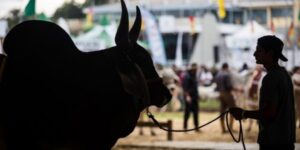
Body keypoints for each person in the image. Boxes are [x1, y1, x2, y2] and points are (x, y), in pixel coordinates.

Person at [230, 35, 295, 150]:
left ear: (269, 53)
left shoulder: (270, 78)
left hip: (273, 142)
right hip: (286, 140)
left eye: (258, 50)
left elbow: (269, 113)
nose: (255, 54)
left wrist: (244, 114)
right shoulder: (284, 75)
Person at [214, 62, 236, 133]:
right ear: (226, 67)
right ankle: (230, 128)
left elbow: (216, 86)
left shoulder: (217, 75)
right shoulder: (227, 74)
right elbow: (229, 86)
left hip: (220, 94)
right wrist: (237, 89)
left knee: (222, 112)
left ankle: (223, 129)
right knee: (232, 110)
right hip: (227, 93)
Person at [182, 63, 200, 132]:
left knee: (196, 113)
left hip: (195, 97)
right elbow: (185, 88)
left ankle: (196, 127)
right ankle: (185, 127)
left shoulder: (194, 76)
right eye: (195, 69)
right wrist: (187, 96)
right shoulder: (187, 76)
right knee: (187, 113)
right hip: (189, 98)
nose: (196, 70)